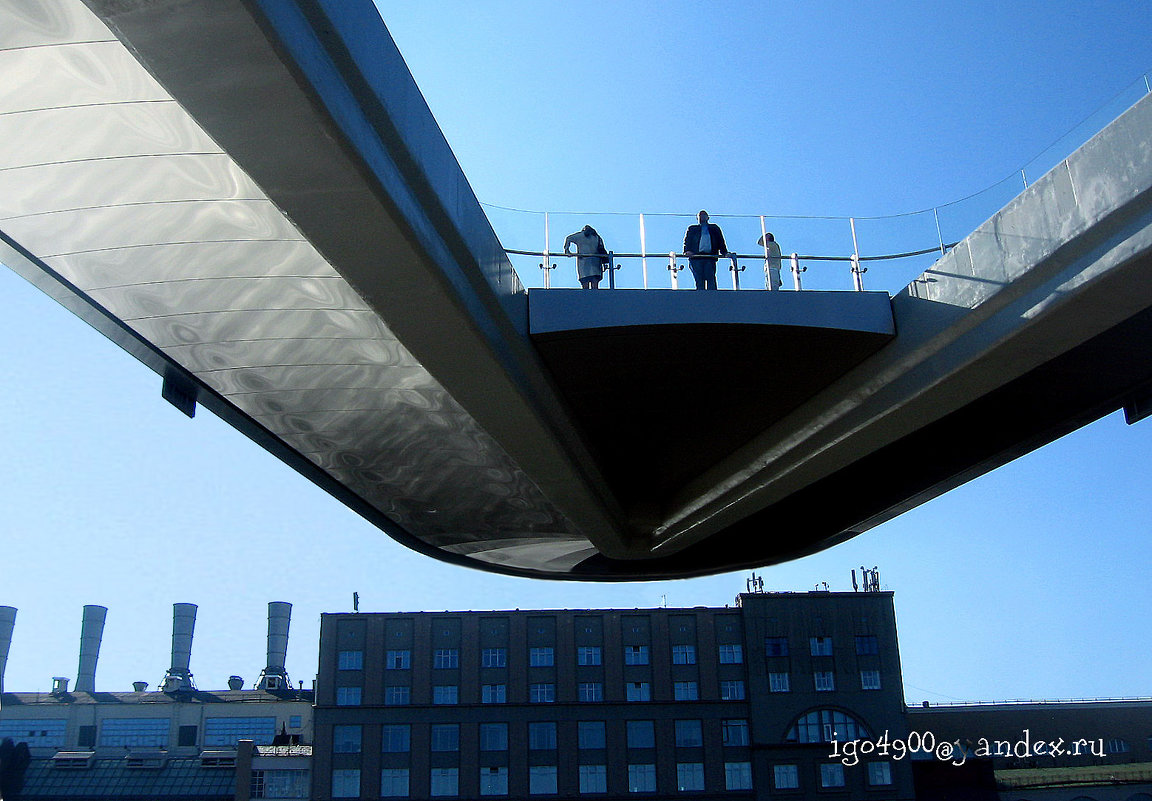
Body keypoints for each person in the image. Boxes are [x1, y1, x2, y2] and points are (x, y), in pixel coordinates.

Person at [683, 210, 729, 290]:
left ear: (708, 217)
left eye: (704, 215)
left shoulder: (714, 228)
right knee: (699, 279)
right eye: (700, 215)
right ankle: (701, 295)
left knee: (710, 277)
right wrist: (687, 251)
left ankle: (713, 295)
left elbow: (720, 241)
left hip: (709, 256)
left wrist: (724, 252)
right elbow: (688, 241)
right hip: (696, 257)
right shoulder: (693, 228)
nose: (702, 217)